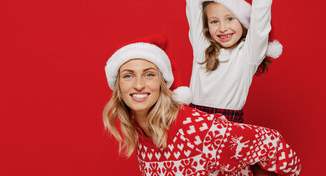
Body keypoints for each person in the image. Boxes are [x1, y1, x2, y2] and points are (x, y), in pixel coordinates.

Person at [103, 34, 300, 175]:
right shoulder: (138, 128)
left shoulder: (194, 129)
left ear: (162, 84)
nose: (138, 85)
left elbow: (272, 143)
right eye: (128, 76)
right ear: (118, 86)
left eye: (149, 74)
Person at [182, 0, 283, 124]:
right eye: (214, 21)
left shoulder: (248, 54)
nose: (222, 28)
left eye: (230, 19)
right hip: (192, 122)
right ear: (206, 25)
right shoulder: (202, 46)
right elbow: (192, 5)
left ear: (244, 23)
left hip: (229, 126)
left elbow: (260, 21)